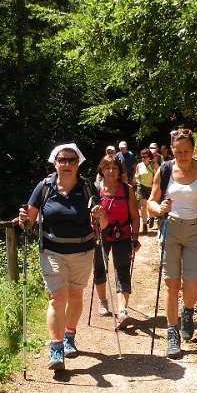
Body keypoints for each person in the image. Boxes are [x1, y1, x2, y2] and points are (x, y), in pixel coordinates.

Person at [19, 143, 108, 371]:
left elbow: (103, 223)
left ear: (78, 163)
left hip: (82, 250)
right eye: (62, 160)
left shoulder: (88, 187)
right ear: (55, 162)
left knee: (76, 296)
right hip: (52, 251)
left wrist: (101, 215)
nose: (67, 164)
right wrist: (23, 220)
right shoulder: (44, 187)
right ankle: (56, 347)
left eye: (71, 160)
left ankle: (70, 335)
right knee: (58, 297)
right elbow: (29, 221)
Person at [147, 128, 197, 358]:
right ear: (171, 150)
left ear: (193, 149)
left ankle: (187, 312)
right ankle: (172, 333)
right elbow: (151, 201)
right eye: (178, 151)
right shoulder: (165, 170)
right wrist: (158, 209)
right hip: (171, 228)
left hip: (196, 229)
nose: (183, 156)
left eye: (187, 151)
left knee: (192, 283)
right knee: (172, 284)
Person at [93, 156, 140, 325]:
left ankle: (122, 310)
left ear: (120, 171)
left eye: (114, 168)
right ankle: (102, 301)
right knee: (99, 266)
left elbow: (135, 216)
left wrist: (135, 237)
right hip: (100, 234)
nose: (111, 171)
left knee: (122, 270)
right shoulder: (96, 189)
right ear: (102, 170)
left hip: (123, 235)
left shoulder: (127, 190)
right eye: (107, 168)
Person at [134, 148, 158, 233]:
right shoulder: (139, 165)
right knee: (143, 207)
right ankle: (144, 225)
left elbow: (159, 175)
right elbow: (136, 175)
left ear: (149, 157)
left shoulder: (153, 165)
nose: (143, 158)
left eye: (145, 157)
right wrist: (137, 176)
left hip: (152, 187)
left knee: (150, 205)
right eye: (142, 157)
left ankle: (151, 218)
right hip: (141, 186)